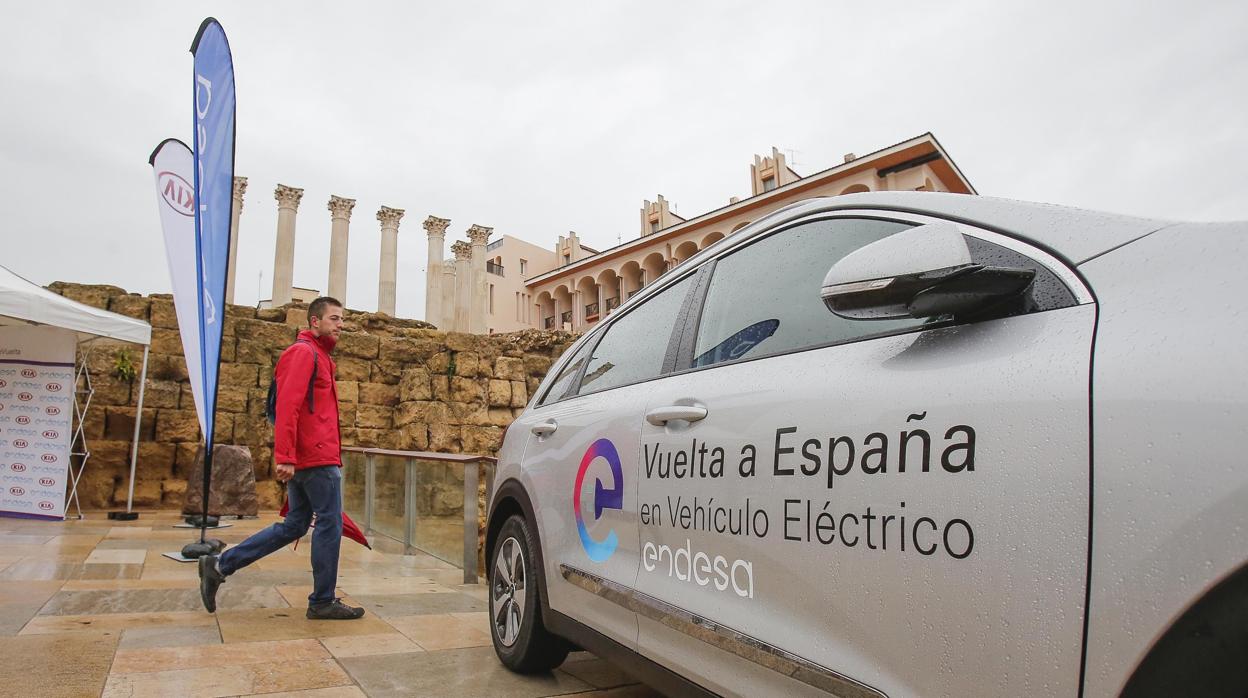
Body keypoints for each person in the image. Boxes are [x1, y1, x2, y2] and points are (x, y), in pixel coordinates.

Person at [199, 297, 365, 620]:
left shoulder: (318, 355)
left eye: (342, 319)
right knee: (328, 524)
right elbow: (288, 406)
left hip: (312, 456)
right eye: (334, 319)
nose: (340, 325)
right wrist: (286, 456)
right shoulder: (304, 353)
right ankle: (322, 601)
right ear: (314, 322)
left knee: (295, 525)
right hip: (313, 459)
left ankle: (219, 565)